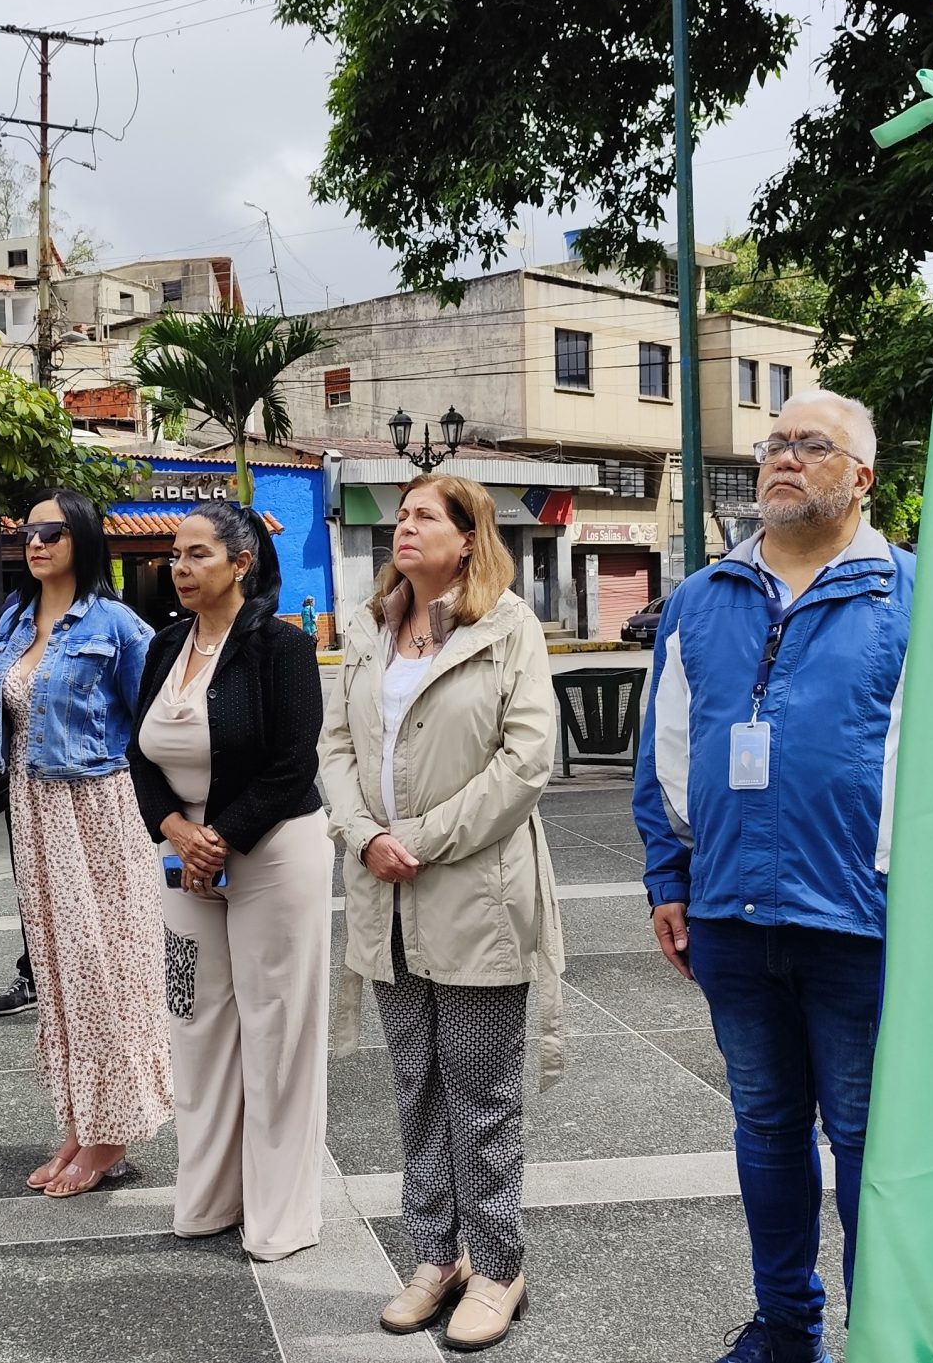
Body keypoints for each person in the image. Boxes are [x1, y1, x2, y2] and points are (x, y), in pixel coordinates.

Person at [629, 393, 910, 1363]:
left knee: (873, 1141)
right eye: (772, 444)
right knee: (766, 1126)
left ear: (862, 476)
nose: (783, 458)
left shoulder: (910, 594)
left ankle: (883, 1327)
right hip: (732, 914)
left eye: (810, 444)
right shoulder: (704, 597)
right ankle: (788, 1325)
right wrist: (668, 878)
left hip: (867, 920)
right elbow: (663, 749)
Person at [322, 470, 562, 1352]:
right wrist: (360, 833)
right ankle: (435, 1253)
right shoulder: (369, 629)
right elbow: (336, 744)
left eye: (426, 513)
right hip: (383, 895)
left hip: (471, 894)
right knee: (415, 1083)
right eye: (403, 513)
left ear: (469, 537)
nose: (405, 524)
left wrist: (414, 836)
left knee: (481, 1092)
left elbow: (526, 762)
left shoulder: (508, 629)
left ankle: (498, 1264)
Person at [127, 502, 332, 1261]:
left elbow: (292, 763)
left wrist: (222, 836)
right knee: (194, 1022)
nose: (180, 568)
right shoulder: (165, 645)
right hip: (183, 861)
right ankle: (210, 1196)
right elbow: (137, 752)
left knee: (277, 1029)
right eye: (175, 556)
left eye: (197, 555)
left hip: (273, 854)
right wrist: (177, 831)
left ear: (241, 564)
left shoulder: (280, 646)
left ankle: (281, 1216)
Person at [0, 488, 168, 1198]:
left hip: (98, 808)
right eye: (28, 532)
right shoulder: (14, 620)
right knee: (60, 977)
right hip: (32, 809)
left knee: (106, 972)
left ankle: (112, 1133)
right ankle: (79, 1120)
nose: (36, 543)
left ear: (83, 540)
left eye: (52, 532)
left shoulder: (118, 624)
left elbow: (152, 724)